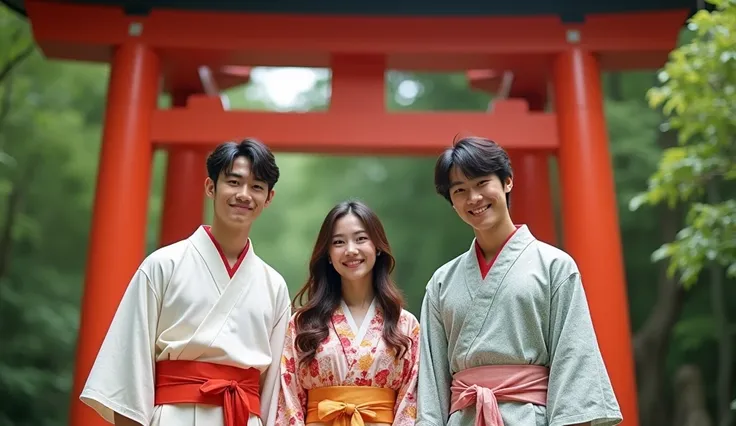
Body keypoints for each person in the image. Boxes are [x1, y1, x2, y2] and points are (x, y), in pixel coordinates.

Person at [79, 139, 291, 426]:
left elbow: (275, 387)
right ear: (210, 187)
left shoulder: (274, 286)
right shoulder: (163, 265)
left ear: (268, 198)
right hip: (172, 415)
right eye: (233, 182)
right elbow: (129, 362)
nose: (244, 194)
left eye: (256, 187)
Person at [416, 136, 622, 426]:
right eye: (460, 190)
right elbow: (431, 375)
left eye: (481, 183)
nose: (473, 198)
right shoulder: (441, 282)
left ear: (507, 182)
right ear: (452, 202)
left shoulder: (554, 267)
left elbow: (574, 357)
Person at [276, 200, 420, 426]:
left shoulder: (405, 324)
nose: (351, 250)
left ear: (378, 247)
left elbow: (411, 400)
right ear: (328, 255)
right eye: (338, 242)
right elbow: (288, 400)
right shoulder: (303, 324)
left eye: (361, 239)